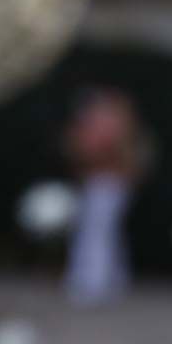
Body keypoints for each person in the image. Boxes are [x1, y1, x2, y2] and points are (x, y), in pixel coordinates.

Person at [62, 89, 149, 306]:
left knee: (96, 233)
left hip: (107, 183)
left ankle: (92, 283)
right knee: (105, 233)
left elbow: (94, 151)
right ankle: (108, 281)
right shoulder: (121, 126)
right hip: (104, 183)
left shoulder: (111, 127)